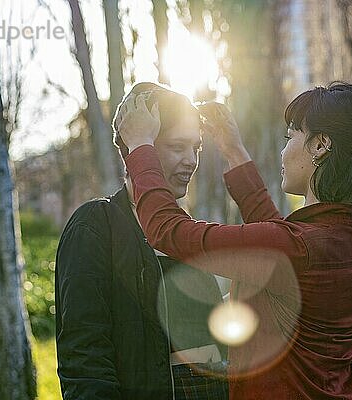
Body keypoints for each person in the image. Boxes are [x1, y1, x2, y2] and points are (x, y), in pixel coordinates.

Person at [116, 82, 352, 399]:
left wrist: (140, 146)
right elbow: (282, 245)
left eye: (291, 137)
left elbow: (168, 231)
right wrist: (233, 150)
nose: (284, 151)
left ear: (321, 145)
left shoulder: (296, 247)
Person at [55, 82, 228, 400]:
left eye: (196, 148)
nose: (191, 160)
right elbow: (84, 360)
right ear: (133, 148)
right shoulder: (95, 227)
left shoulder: (185, 234)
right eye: (178, 147)